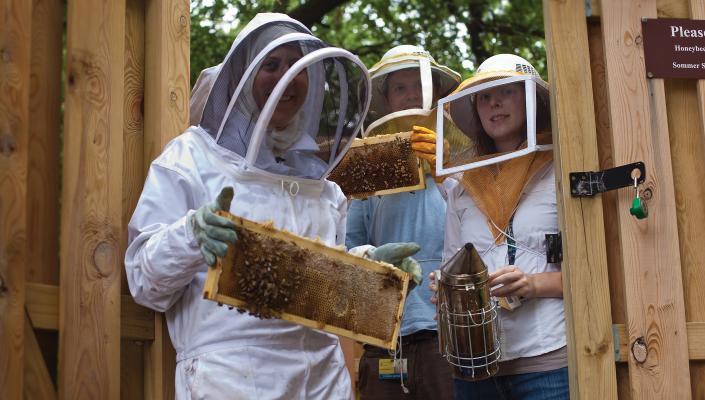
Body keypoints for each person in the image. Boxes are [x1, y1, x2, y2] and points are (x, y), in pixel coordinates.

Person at [125, 13, 420, 399]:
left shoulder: (324, 188)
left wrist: (372, 271)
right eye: (272, 64)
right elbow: (145, 284)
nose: (287, 77)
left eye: (297, 66)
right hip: (230, 378)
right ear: (244, 77)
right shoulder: (192, 157)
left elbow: (320, 278)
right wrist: (191, 235)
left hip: (324, 379)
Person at [430, 53, 568, 400]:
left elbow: (594, 274)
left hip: (547, 360)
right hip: (474, 368)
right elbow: (452, 262)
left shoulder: (561, 173)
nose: (494, 103)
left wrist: (532, 283)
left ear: (531, 99)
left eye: (506, 91)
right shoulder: (463, 187)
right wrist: (446, 287)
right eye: (484, 97)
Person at [345, 45, 460, 400]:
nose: (411, 94)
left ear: (436, 92)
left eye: (419, 85)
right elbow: (350, 248)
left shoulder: (461, 156)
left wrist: (448, 172)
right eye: (400, 87)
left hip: (447, 331)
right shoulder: (368, 167)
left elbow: (482, 228)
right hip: (385, 335)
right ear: (386, 98)